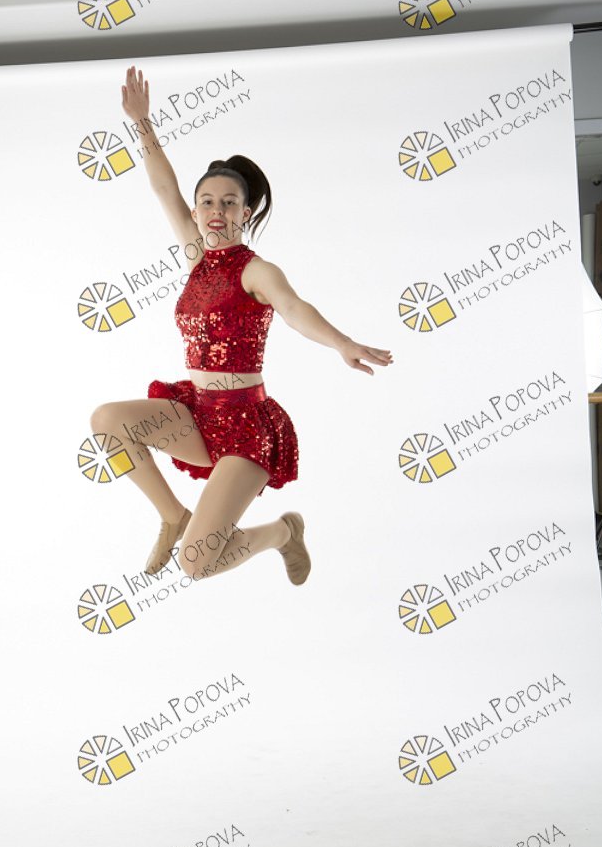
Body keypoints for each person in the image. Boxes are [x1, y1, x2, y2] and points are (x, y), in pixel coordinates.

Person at [90, 65, 393, 587]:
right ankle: (173, 516)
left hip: (245, 426)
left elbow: (294, 308)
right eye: (207, 202)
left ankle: (282, 533)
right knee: (107, 420)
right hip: (197, 413)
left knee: (195, 563)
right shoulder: (196, 258)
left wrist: (342, 342)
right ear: (196, 210)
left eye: (229, 203)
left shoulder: (256, 271)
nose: (216, 211)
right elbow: (163, 187)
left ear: (245, 212)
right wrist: (142, 123)